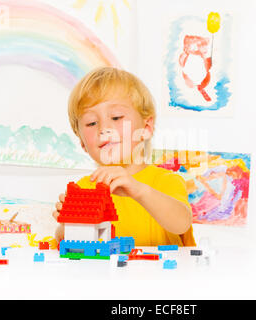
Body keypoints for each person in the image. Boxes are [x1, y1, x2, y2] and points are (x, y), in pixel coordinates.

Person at [52, 67, 195, 246]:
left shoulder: (166, 181)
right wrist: (67, 224)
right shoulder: (83, 189)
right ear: (82, 143)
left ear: (146, 127)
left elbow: (181, 223)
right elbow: (63, 243)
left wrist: (138, 190)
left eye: (116, 117)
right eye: (91, 123)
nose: (104, 128)